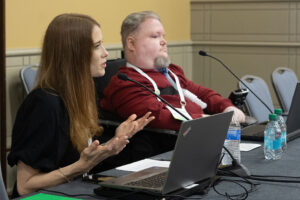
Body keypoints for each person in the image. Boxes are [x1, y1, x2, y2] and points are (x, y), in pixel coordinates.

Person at [7, 13, 154, 197]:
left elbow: (79, 161)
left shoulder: (79, 95)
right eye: (97, 46)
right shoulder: (43, 104)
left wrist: (111, 146)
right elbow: (25, 187)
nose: (105, 53)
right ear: (74, 54)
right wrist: (80, 167)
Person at [101, 10, 245, 131]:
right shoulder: (126, 83)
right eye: (155, 36)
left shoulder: (171, 72)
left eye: (163, 36)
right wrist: (210, 120)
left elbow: (202, 93)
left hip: (201, 134)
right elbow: (160, 117)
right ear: (131, 43)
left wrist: (227, 108)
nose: (164, 41)